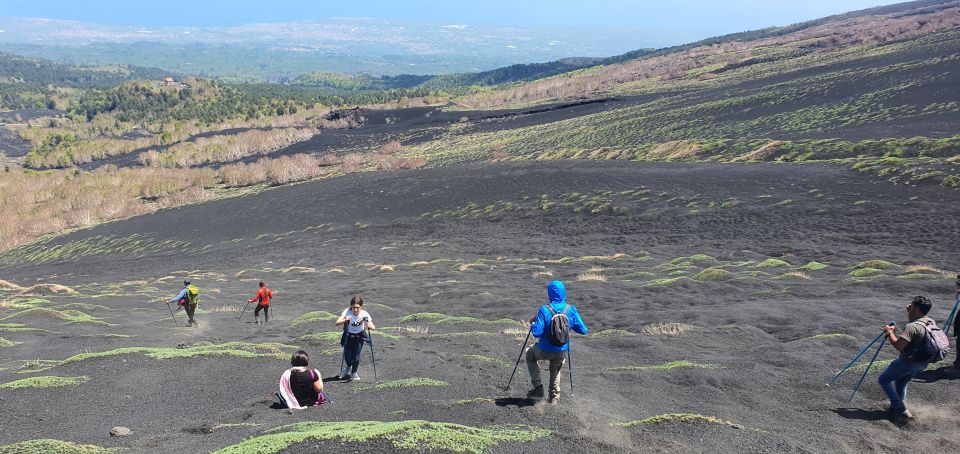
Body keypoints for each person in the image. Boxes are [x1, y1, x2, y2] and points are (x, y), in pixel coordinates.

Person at [877, 295, 938, 421]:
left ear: (917, 309)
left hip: (908, 362)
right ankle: (896, 408)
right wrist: (911, 312)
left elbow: (899, 346)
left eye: (911, 305)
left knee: (883, 380)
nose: (908, 306)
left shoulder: (911, 327)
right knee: (901, 381)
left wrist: (890, 333)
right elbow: (915, 331)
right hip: (923, 362)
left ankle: (899, 407)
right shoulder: (930, 321)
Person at [525, 280, 587, 403]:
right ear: (564, 292)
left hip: (544, 349)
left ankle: (538, 388)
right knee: (556, 368)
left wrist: (533, 324)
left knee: (529, 354)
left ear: (549, 293)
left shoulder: (544, 309)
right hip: (562, 350)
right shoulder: (571, 309)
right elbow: (583, 330)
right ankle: (553, 397)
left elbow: (537, 332)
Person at [335, 296, 376, 381]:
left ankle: (354, 373)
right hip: (348, 336)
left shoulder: (365, 314)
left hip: (359, 337)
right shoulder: (347, 311)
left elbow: (373, 326)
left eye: (358, 308)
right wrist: (345, 320)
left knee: (356, 357)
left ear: (361, 306)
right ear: (351, 306)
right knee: (347, 357)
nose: (356, 310)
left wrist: (369, 326)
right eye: (354, 307)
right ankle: (348, 367)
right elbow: (337, 323)